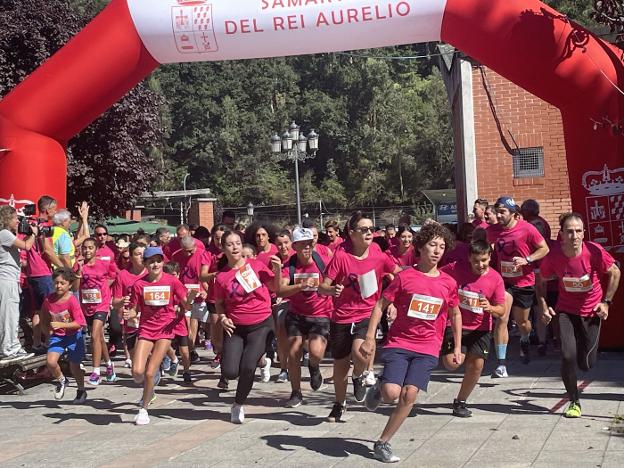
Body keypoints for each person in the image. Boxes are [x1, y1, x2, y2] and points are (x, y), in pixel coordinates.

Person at [360, 222, 461, 463]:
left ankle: (383, 442)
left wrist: (456, 346)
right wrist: (369, 337)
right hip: (400, 342)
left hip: (428, 346)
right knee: (391, 392)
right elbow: (380, 305)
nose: (437, 251)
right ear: (420, 247)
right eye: (432, 245)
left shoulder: (448, 282)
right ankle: (378, 389)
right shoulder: (405, 277)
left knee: (409, 395)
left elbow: (455, 314)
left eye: (442, 246)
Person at [320, 211, 402, 422]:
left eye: (371, 230)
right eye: (364, 230)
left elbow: (398, 274)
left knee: (361, 353)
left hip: (368, 313)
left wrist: (392, 301)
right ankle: (339, 404)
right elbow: (323, 287)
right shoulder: (341, 256)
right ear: (352, 233)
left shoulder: (378, 254)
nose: (369, 233)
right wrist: (331, 291)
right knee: (339, 367)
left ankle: (358, 375)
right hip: (341, 317)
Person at [538, 213, 620, 418]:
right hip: (565, 311)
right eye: (569, 231)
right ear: (562, 234)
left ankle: (584, 363)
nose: (574, 235)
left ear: (584, 233)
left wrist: (606, 303)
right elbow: (540, 281)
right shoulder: (554, 255)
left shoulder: (593, 251)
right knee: (567, 356)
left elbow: (615, 272)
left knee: (587, 363)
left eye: (578, 231)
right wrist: (543, 305)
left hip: (591, 311)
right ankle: (574, 401)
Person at [123, 246, 196, 425]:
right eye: (151, 261)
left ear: (163, 262)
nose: (155, 264)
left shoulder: (172, 281)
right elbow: (134, 309)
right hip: (146, 330)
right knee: (137, 372)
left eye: (158, 260)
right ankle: (149, 386)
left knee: (149, 373)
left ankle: (144, 409)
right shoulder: (139, 284)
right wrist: (129, 314)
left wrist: (191, 298)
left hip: (165, 331)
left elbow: (186, 305)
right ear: (145, 263)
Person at [214, 230, 281, 424]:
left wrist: (277, 271)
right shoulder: (221, 276)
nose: (235, 247)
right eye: (230, 244)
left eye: (237, 243)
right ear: (223, 248)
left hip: (261, 323)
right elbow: (219, 302)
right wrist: (223, 318)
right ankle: (261, 359)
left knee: (248, 366)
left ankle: (238, 404)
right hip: (235, 326)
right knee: (230, 371)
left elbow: (275, 288)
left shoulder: (256, 266)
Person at [440, 240, 506, 417]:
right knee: (453, 363)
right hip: (455, 323)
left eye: (484, 260)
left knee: (477, 365)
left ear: (490, 257)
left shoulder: (496, 279)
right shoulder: (455, 268)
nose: (480, 264)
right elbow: (436, 274)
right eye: (476, 260)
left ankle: (460, 401)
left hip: (481, 328)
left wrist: (490, 308)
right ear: (469, 258)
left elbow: (502, 310)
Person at [277, 227, 338, 407]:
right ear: (294, 246)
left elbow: (335, 281)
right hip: (296, 314)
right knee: (294, 353)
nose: (306, 247)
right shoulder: (290, 265)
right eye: (302, 244)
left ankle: (314, 366)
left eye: (309, 243)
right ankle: (296, 392)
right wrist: (300, 286)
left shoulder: (323, 263)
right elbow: (280, 289)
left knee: (316, 352)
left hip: (321, 314)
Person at [487, 196, 549, 370]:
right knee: (502, 318)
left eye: (502, 212)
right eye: (497, 212)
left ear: (513, 213)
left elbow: (544, 248)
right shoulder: (492, 231)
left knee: (522, 322)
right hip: (503, 282)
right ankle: (501, 363)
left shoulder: (527, 229)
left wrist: (527, 260)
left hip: (524, 281)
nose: (498, 216)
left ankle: (525, 338)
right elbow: (481, 245)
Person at [74, 237, 118, 385]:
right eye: (84, 248)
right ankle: (109, 364)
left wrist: (106, 291)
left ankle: (96, 372)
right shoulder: (79, 265)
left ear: (96, 250)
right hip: (87, 306)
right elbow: (75, 287)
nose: (87, 250)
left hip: (102, 304)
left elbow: (114, 275)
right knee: (98, 338)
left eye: (90, 248)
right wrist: (79, 272)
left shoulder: (103, 264)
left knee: (94, 336)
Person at [41, 267, 87, 403]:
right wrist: (47, 331)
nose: (58, 286)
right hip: (58, 337)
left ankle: (81, 390)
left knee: (75, 366)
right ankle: (62, 381)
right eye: (56, 282)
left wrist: (62, 325)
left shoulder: (72, 300)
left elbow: (80, 323)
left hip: (74, 337)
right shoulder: (49, 300)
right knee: (50, 361)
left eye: (62, 283)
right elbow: (44, 318)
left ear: (70, 285)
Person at [171, 236, 213, 381]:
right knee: (189, 326)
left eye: (191, 251)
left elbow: (204, 276)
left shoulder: (202, 254)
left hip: (200, 295)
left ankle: (213, 345)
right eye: (185, 252)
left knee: (208, 326)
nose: (188, 254)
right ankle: (190, 352)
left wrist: (205, 291)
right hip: (184, 296)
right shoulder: (176, 256)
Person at [0, 205, 37, 362]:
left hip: (10, 279)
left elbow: (13, 259)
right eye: (16, 218)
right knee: (8, 316)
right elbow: (27, 246)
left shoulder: (6, 235)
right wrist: (33, 233)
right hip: (6, 280)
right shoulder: (4, 233)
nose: (18, 221)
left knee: (12, 315)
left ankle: (12, 347)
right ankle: (8, 349)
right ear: (7, 218)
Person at [111, 242, 147, 369]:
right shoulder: (123, 275)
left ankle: (153, 370)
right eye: (138, 254)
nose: (142, 257)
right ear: (131, 258)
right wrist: (121, 302)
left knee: (146, 350)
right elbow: (114, 302)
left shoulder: (152, 273)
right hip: (131, 320)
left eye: (144, 254)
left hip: (150, 319)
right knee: (134, 357)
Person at [273, 230, 295, 383]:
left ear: (291, 243)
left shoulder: (297, 258)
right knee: (281, 331)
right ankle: (283, 368)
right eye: (279, 244)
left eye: (286, 243)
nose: (283, 247)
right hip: (282, 302)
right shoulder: (274, 261)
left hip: (300, 300)